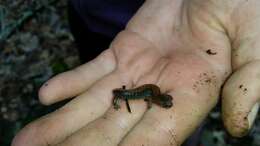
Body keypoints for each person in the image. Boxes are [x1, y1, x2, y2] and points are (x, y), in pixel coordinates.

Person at [11, 0, 260, 146]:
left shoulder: (151, 96)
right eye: (164, 102)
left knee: (180, 122)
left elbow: (153, 97)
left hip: (170, 22)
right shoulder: (137, 95)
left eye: (164, 102)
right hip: (95, 16)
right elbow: (139, 96)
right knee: (100, 67)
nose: (165, 103)